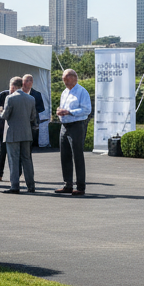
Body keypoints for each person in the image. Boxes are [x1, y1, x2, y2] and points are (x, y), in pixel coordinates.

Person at [53, 68, 92, 196]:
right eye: (64, 81)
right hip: (65, 125)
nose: (66, 83)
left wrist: (70, 112)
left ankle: (80, 186)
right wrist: (60, 111)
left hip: (77, 125)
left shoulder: (82, 91)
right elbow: (63, 107)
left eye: (68, 81)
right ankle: (67, 184)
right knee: (64, 155)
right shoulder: (65, 92)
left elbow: (86, 109)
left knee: (77, 155)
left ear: (75, 78)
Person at [0, 77, 36, 193]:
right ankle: (31, 186)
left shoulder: (9, 98)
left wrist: (0, 112)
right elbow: (32, 117)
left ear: (13, 86)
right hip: (26, 133)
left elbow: (5, 115)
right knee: (27, 159)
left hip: (13, 134)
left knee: (13, 160)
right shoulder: (31, 98)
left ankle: (15, 186)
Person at [22, 73, 47, 145]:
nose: (24, 83)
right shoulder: (17, 93)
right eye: (24, 81)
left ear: (31, 82)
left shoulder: (37, 94)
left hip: (32, 123)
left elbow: (41, 108)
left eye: (28, 81)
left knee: (31, 144)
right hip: (20, 123)